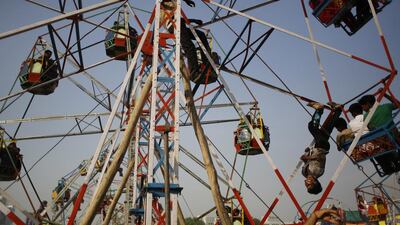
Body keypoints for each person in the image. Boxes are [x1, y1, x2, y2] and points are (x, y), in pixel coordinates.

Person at [301, 101, 341, 194]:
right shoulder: (318, 172)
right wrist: (307, 157)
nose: (306, 184)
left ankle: (338, 110)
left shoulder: (304, 173)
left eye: (306, 186)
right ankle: (319, 109)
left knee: (328, 128)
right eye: (309, 185)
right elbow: (320, 158)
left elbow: (306, 161)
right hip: (322, 146)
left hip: (316, 147)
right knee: (312, 127)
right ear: (315, 182)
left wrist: (306, 154)